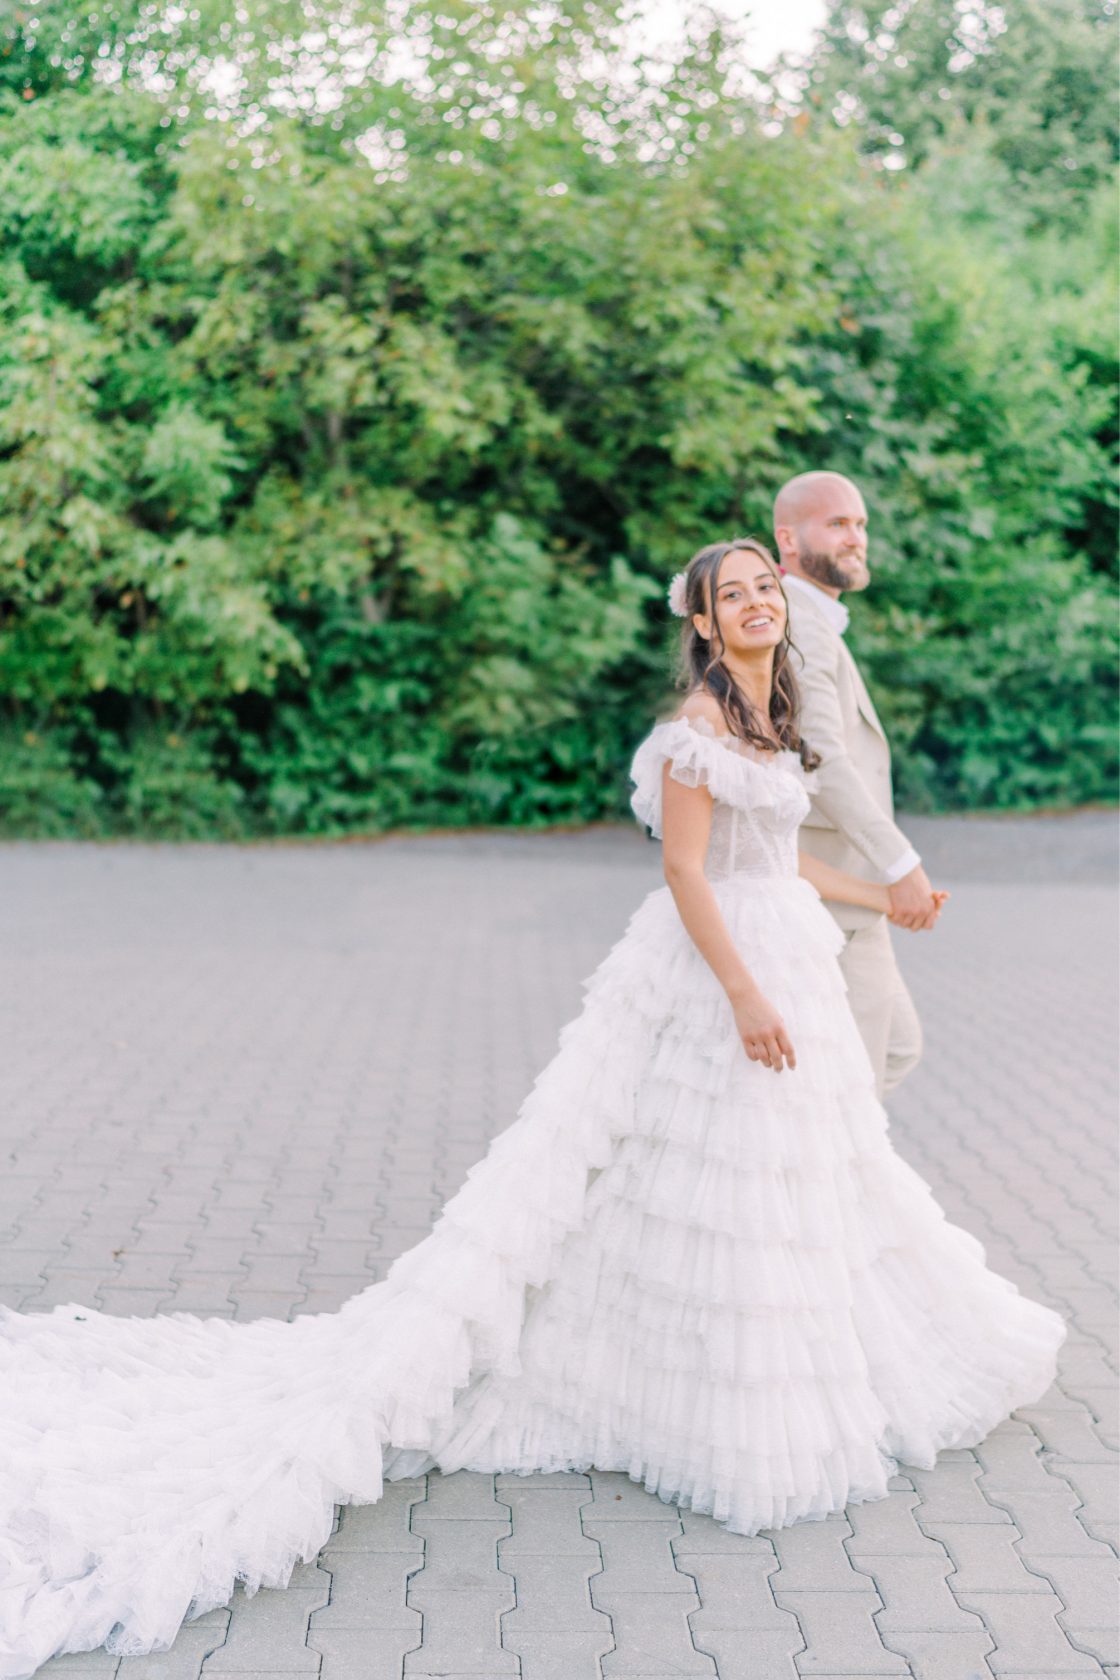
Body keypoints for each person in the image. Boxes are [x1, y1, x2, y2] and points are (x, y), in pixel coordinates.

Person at [0, 539, 1063, 1680]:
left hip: (787, 948)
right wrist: (744, 994)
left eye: (766, 589)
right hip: (722, 977)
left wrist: (883, 897)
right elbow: (689, 877)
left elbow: (784, 867)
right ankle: (715, 1407)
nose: (756, 604)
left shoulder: (773, 718)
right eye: (733, 595)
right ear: (702, 625)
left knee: (790, 1178)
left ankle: (746, 1373)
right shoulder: (694, 734)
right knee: (710, 1171)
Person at [773, 470, 939, 1098]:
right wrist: (900, 863)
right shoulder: (800, 626)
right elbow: (823, 761)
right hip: (832, 891)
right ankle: (832, 1189)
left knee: (893, 1050)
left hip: (852, 893)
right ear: (788, 537)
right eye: (837, 523)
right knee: (859, 1082)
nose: (855, 537)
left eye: (861, 524)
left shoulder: (817, 621)